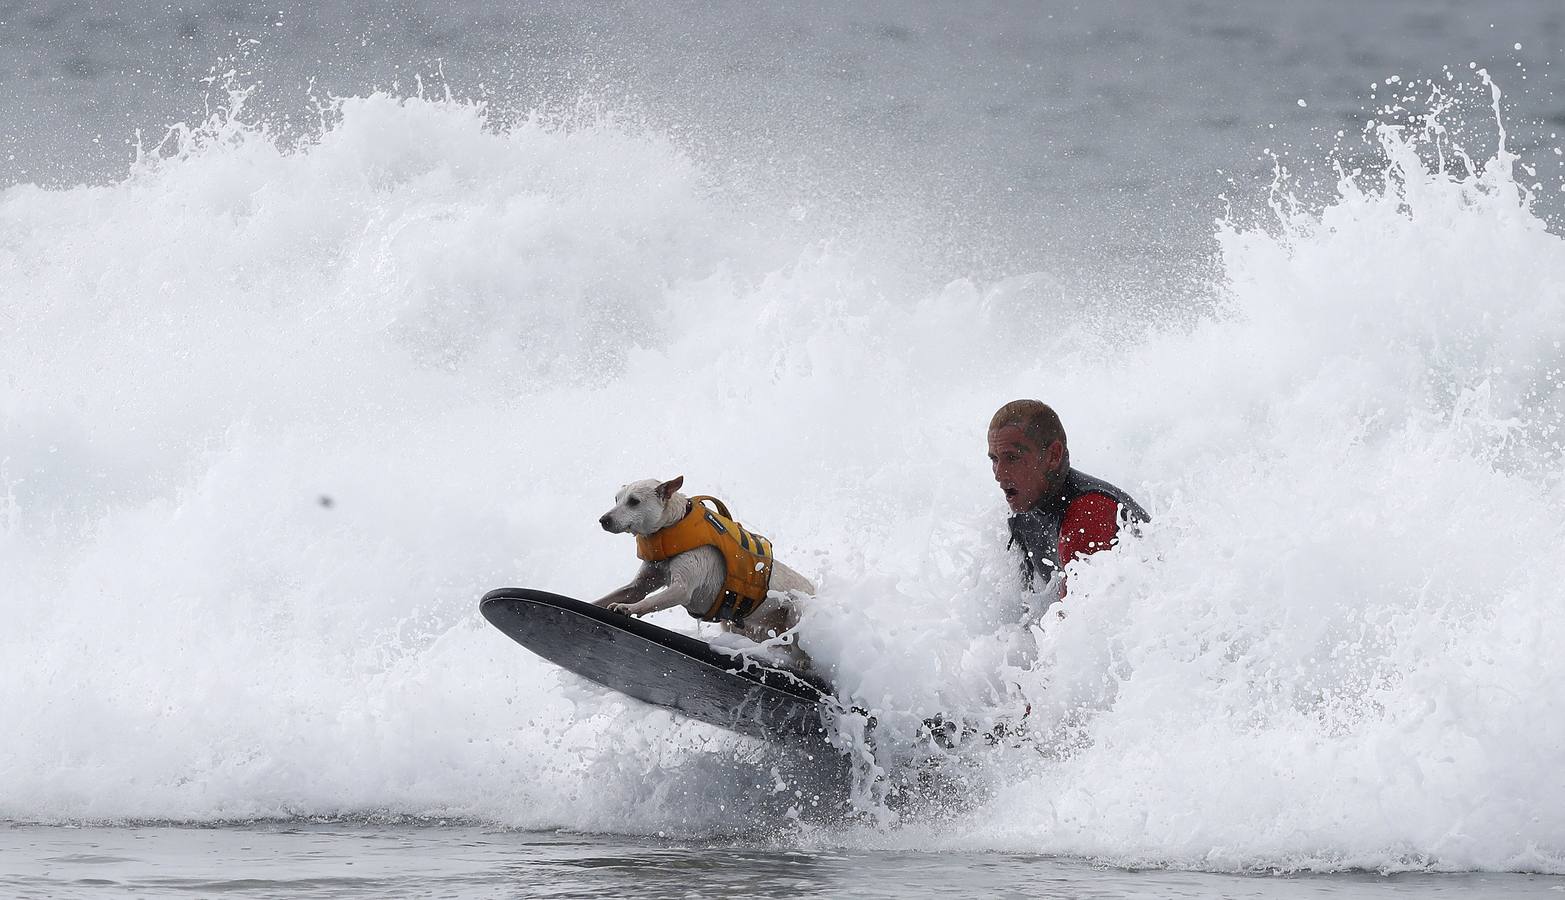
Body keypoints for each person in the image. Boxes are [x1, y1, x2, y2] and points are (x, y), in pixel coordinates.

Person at [987, 399, 1148, 592]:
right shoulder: (1024, 514)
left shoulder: (1090, 511)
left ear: (1053, 456)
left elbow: (1083, 617)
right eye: (994, 459)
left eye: (1012, 458)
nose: (998, 474)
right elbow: (1024, 610)